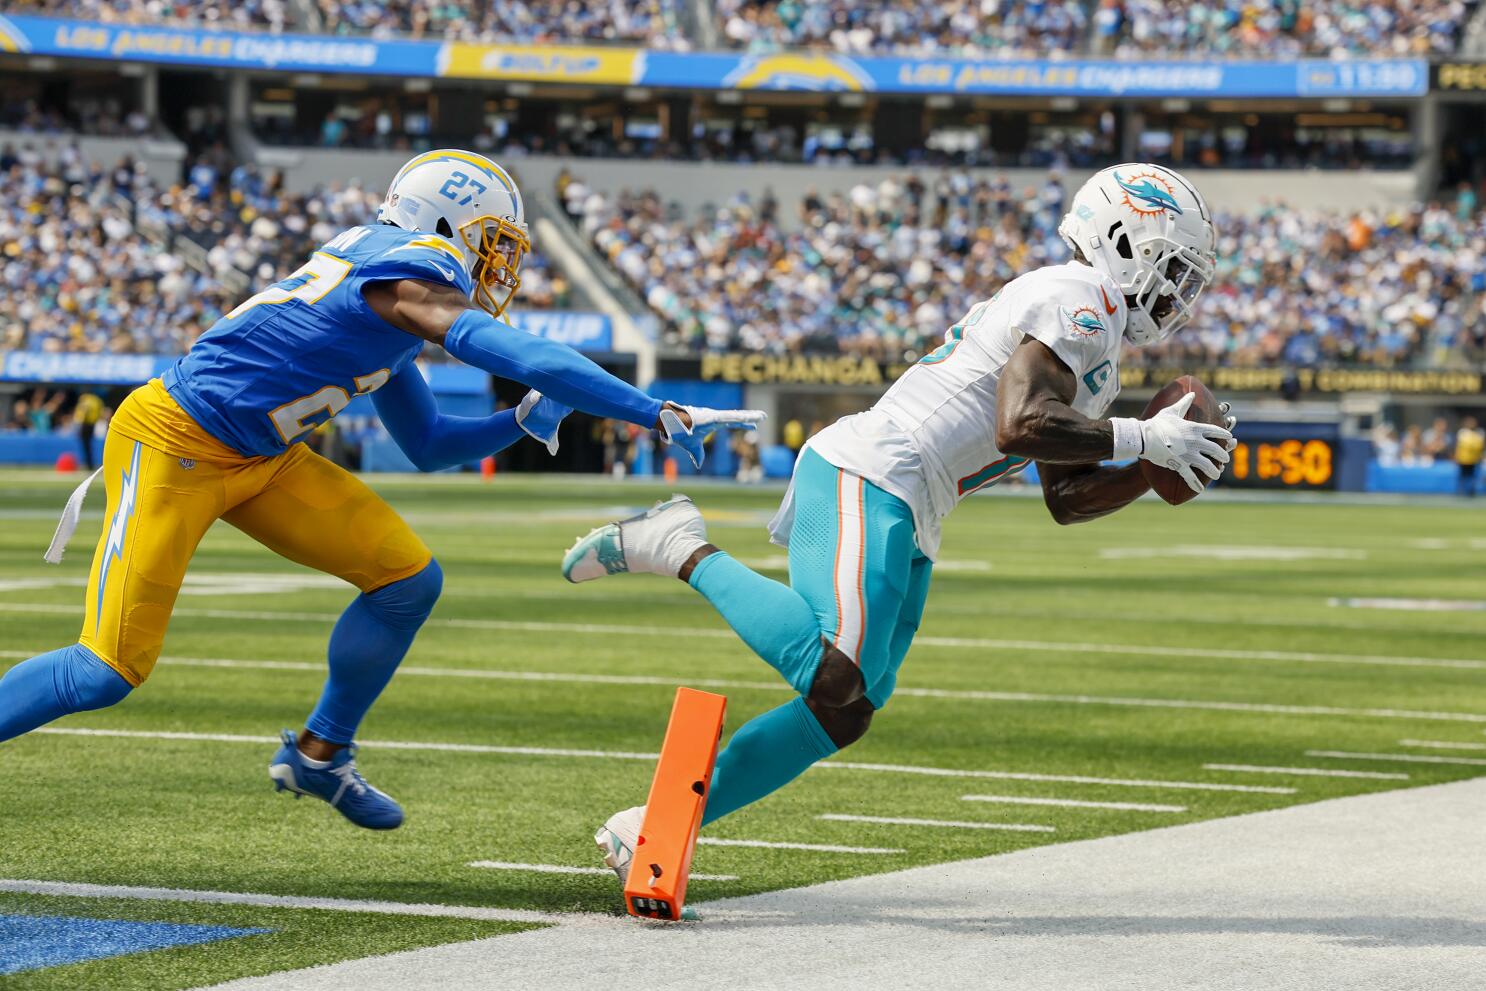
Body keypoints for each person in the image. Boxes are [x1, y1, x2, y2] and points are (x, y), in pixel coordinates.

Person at [0, 149, 763, 831]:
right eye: (494, 241)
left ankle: (320, 754)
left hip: (261, 456)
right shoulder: (413, 268)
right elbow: (519, 349)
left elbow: (428, 446)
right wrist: (651, 408)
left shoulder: (388, 294)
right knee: (106, 669)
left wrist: (520, 421)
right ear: (449, 223)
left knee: (405, 580)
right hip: (176, 443)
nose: (499, 264)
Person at [560, 164, 1236, 888]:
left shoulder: (1098, 350)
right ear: (1121, 241)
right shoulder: (1078, 296)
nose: (1175, 294)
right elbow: (1019, 424)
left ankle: (659, 820)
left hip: (920, 502)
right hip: (879, 465)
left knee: (844, 710)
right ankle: (678, 543)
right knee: (836, 665)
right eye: (1171, 269)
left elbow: (1066, 495)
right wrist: (1144, 440)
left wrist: (1150, 466)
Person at [1456, 416, 1484, 497]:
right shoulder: (1462, 432)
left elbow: (1480, 446)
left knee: (1473, 476)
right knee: (1462, 476)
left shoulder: (1479, 432)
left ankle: (1471, 491)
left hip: (1474, 459)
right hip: (1463, 459)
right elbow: (1459, 445)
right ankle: (1461, 491)